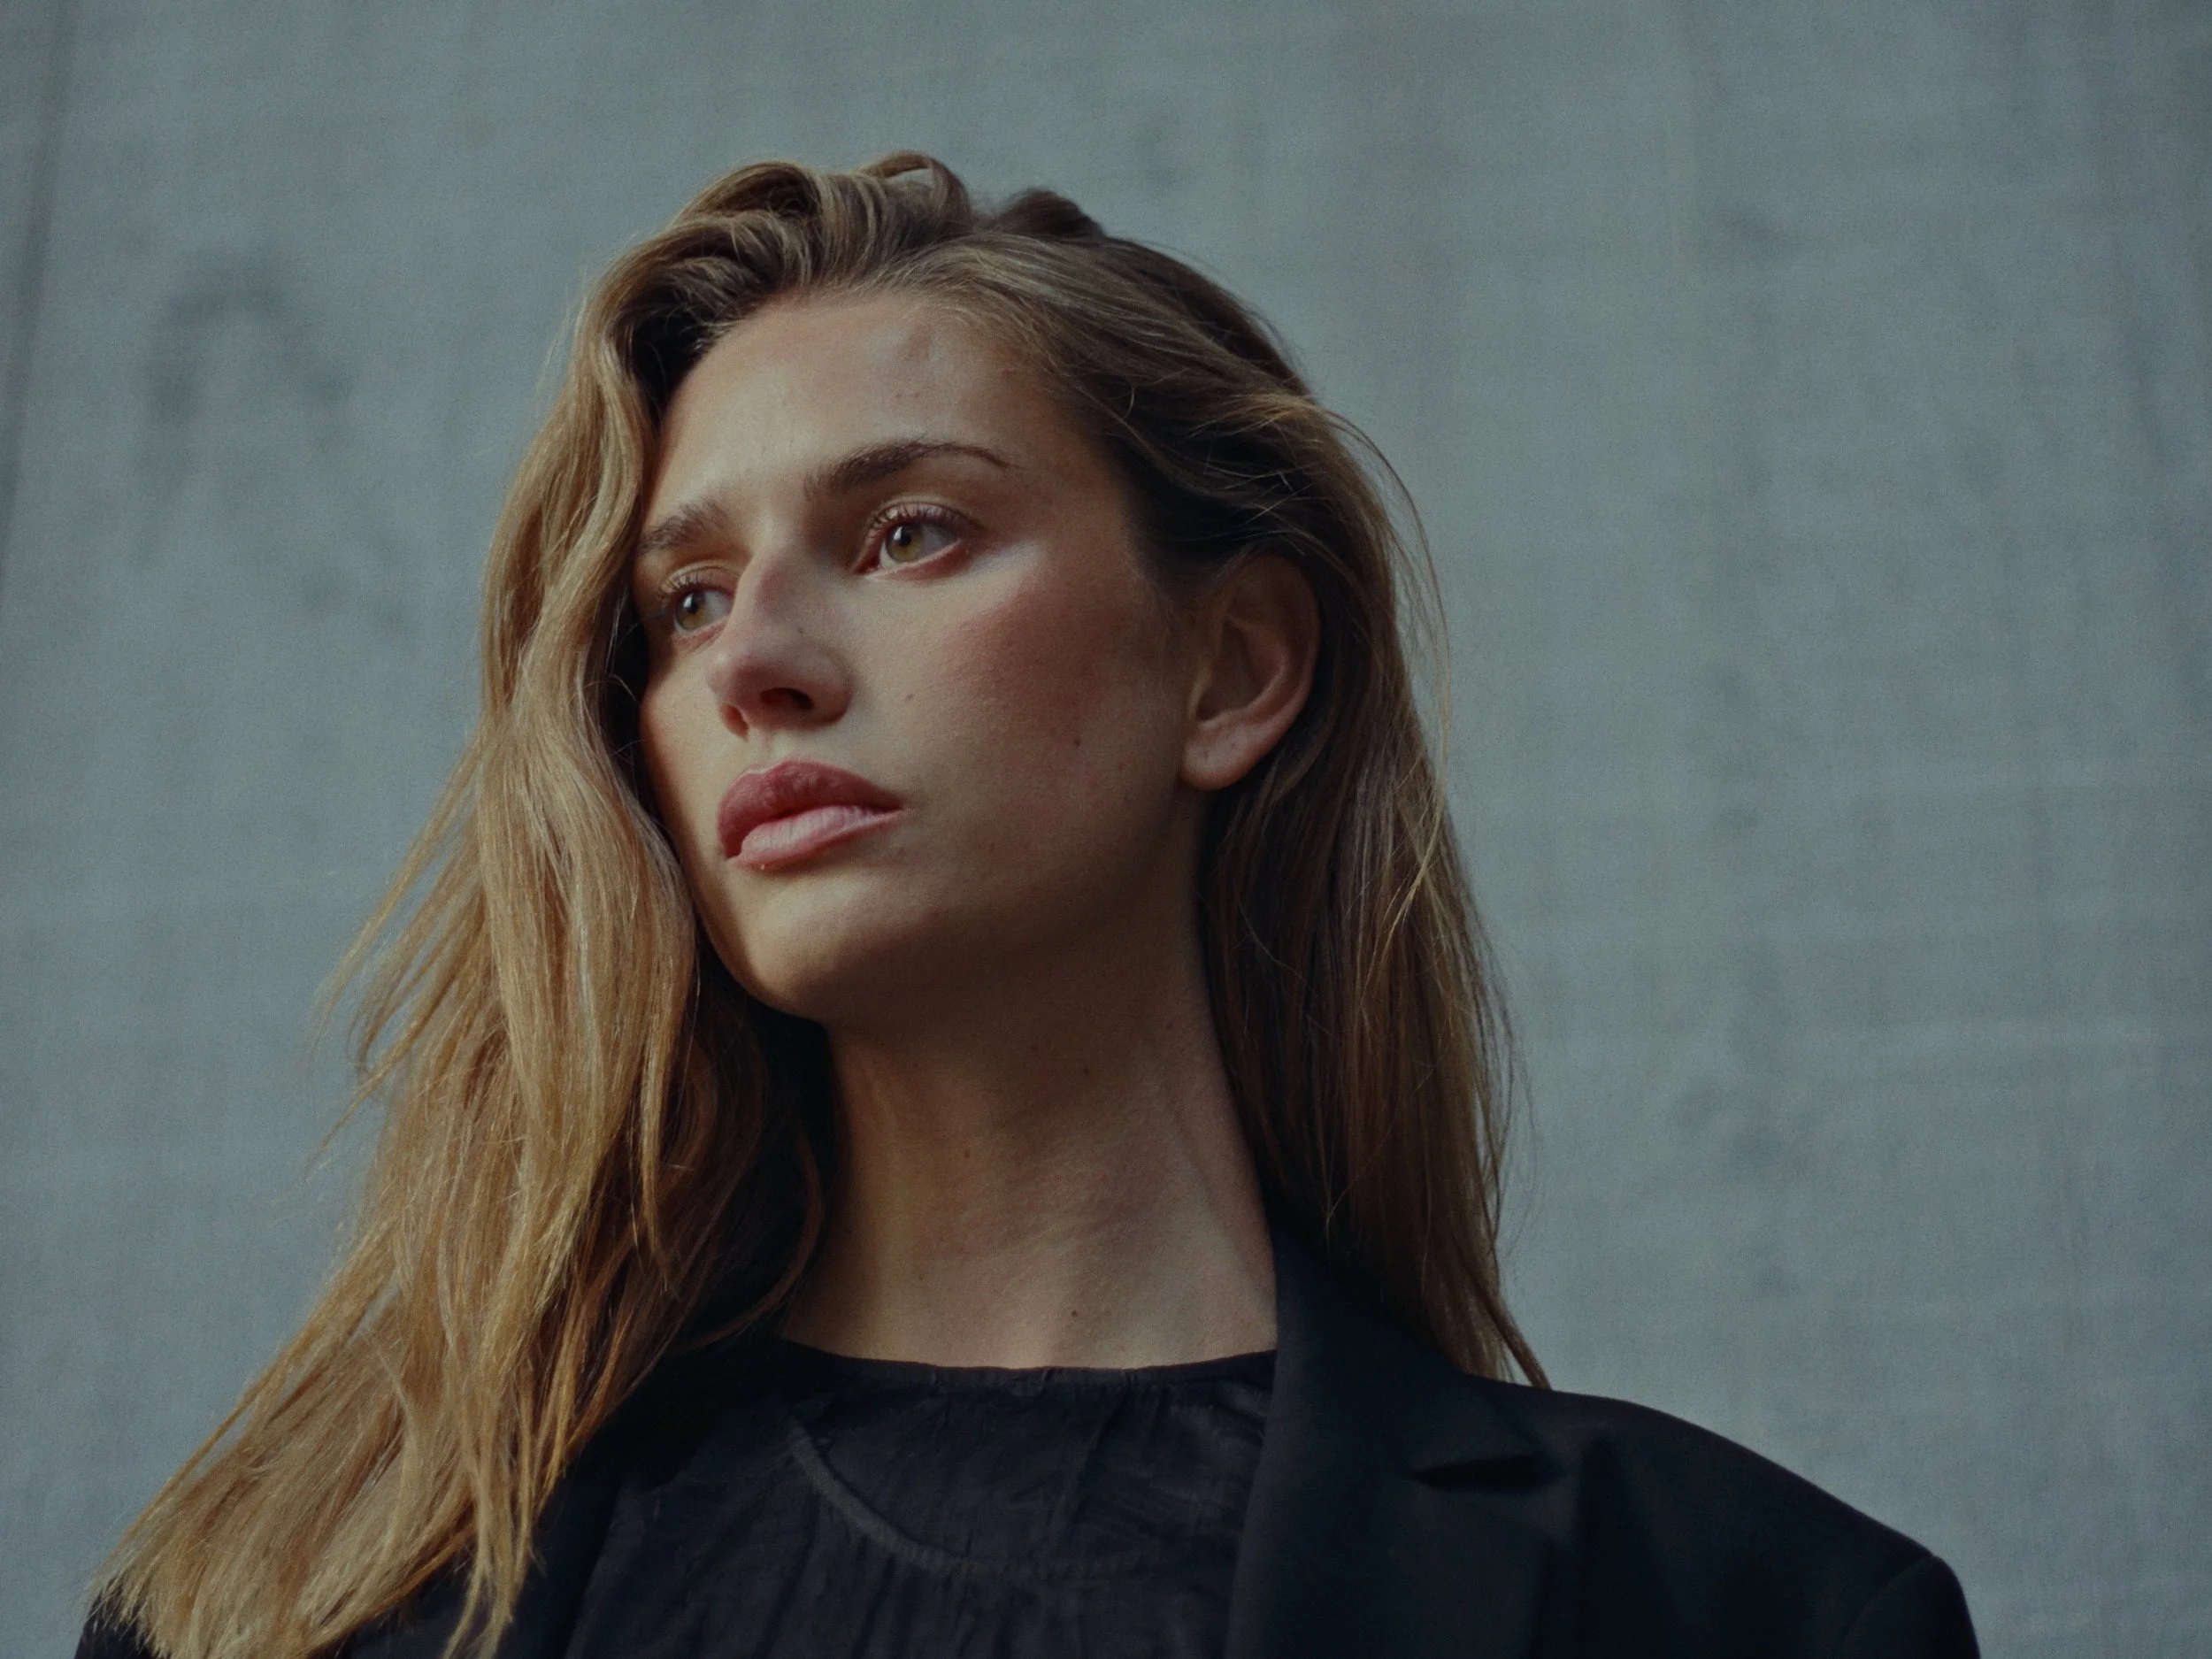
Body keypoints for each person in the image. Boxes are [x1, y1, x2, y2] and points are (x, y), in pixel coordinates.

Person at [78, 154, 1978, 1659]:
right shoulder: (295, 1603)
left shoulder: (1740, 1609)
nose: (755, 663)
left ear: (1232, 667)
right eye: (685, 599)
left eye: (909, 531)